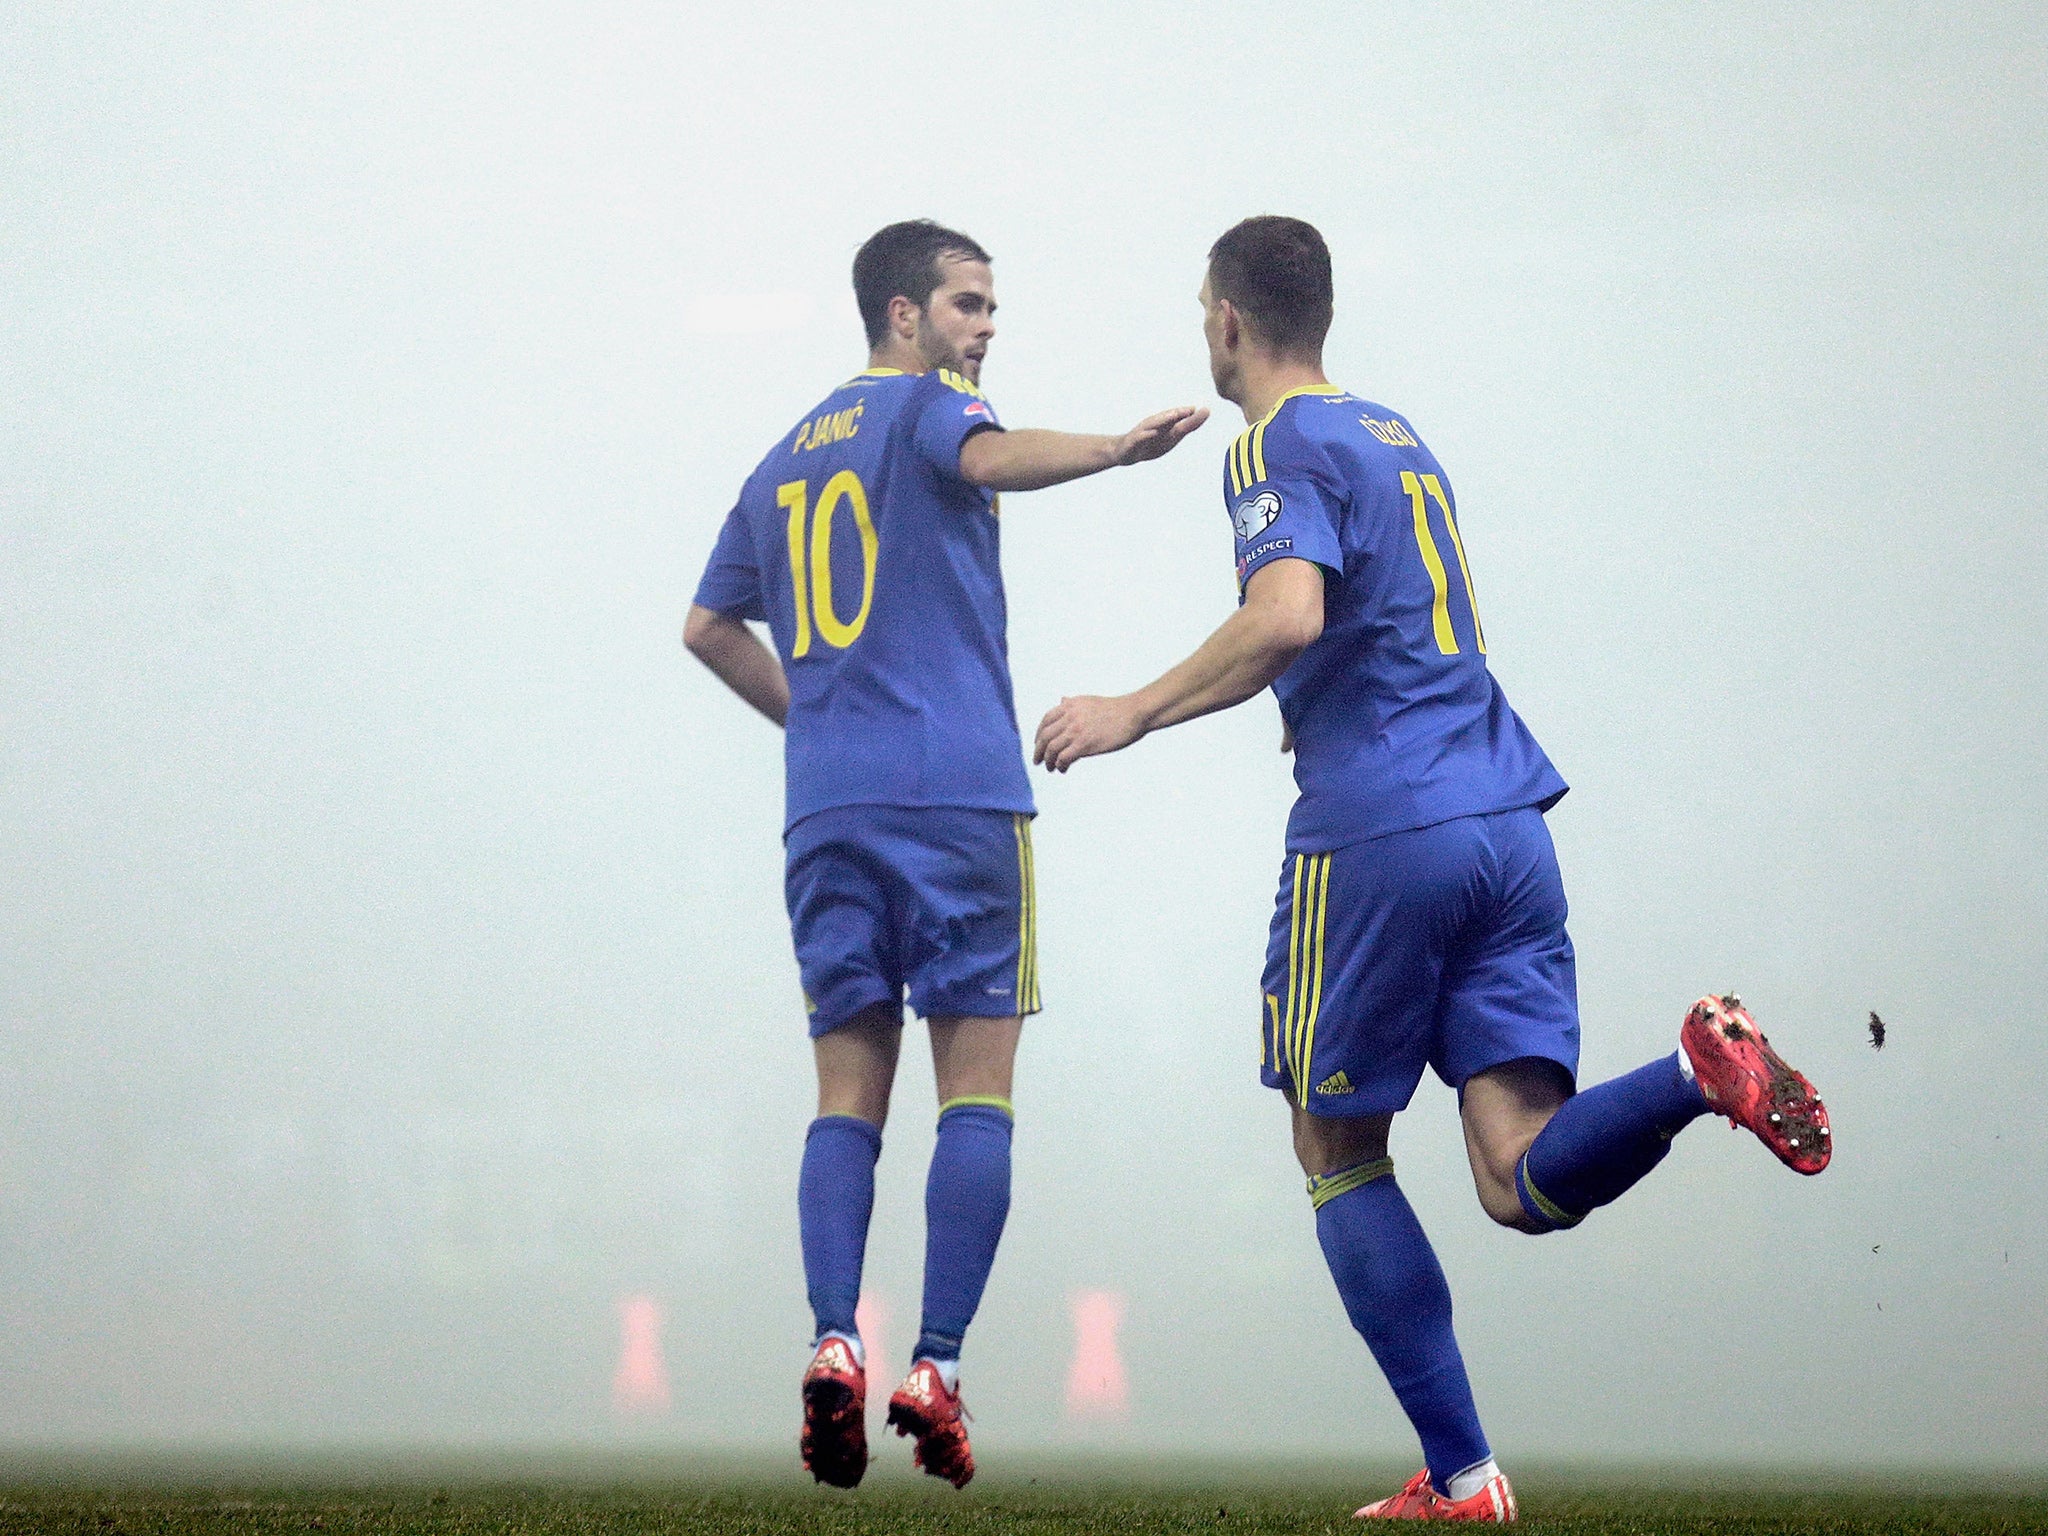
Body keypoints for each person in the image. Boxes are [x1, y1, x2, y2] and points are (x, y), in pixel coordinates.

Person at [1032, 216, 1829, 1523]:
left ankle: (1465, 1479)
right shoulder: (1399, 436)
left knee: (1335, 1143)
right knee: (1517, 1176)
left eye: (1201, 312)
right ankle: (1696, 1073)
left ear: (1228, 318)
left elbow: (1286, 615)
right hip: (1509, 817)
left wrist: (1131, 708)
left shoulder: (1271, 444)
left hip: (1385, 829)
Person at [684, 219, 1206, 1491]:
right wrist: (1113, 449)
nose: (985, 328)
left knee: (844, 1097)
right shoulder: (930, 406)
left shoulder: (775, 462)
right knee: (974, 1092)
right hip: (959, 801)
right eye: (968, 305)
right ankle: (934, 1364)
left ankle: (828, 1343)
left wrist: (820, 724)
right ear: (903, 317)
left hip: (827, 813)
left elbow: (707, 625)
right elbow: (985, 456)